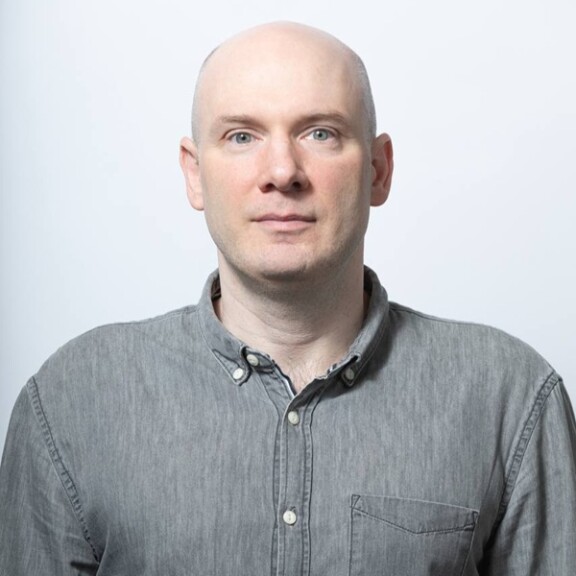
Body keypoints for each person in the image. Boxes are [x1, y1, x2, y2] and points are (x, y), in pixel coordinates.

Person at [0, 21, 574, 575]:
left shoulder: (511, 398)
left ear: (378, 170)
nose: (281, 171)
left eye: (320, 133)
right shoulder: (72, 402)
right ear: (194, 174)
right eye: (241, 136)